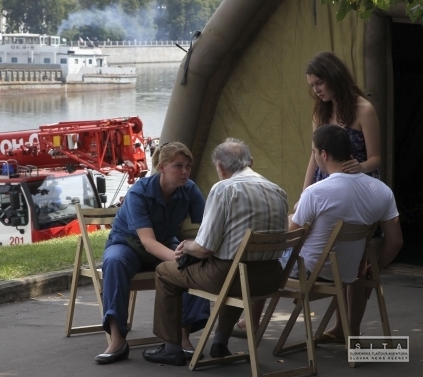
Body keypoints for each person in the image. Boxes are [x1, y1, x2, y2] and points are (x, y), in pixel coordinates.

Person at [239, 125, 403, 340]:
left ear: (324, 154)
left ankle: (250, 323)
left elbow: (285, 240)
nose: (314, 157)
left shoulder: (317, 192)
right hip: (351, 269)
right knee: (353, 259)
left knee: (265, 257)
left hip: (312, 270)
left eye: (314, 152)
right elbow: (395, 242)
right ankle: (347, 330)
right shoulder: (381, 190)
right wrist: (376, 268)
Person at [141, 138, 289, 366]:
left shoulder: (224, 189)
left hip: (229, 277)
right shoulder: (277, 190)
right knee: (237, 267)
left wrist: (187, 245)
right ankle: (220, 341)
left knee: (164, 271)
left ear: (220, 167)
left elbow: (204, 248)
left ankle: (171, 347)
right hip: (270, 279)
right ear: (251, 161)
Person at [95, 142, 210, 364]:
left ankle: (182, 338)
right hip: (129, 244)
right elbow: (147, 241)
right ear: (161, 167)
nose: (185, 171)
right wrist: (179, 257)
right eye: (178, 166)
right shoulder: (139, 192)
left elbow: (207, 227)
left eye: (188, 165)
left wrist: (196, 251)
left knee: (195, 263)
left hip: (166, 242)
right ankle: (117, 340)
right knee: (114, 262)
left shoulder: (190, 189)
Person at [303, 51, 381, 190]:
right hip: (325, 184)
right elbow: (314, 154)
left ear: (334, 78)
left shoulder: (364, 110)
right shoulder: (320, 112)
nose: (316, 90)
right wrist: (304, 194)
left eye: (319, 83)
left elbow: (375, 159)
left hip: (358, 183)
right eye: (312, 85)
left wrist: (361, 166)